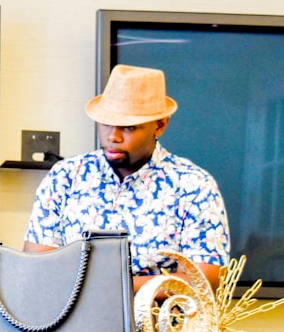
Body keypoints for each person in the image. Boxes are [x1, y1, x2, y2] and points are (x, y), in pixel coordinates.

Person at [23, 64, 231, 292]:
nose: (113, 136)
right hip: (68, 322)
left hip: (157, 324)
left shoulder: (194, 186)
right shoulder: (65, 176)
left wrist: (111, 289)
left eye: (129, 127)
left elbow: (205, 280)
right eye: (106, 123)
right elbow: (38, 266)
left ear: (159, 125)